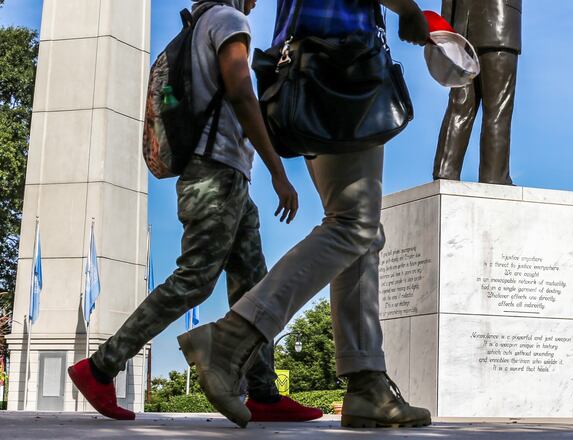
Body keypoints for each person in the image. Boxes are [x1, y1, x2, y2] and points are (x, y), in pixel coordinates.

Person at [176, 0, 432, 429]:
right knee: (354, 225)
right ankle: (231, 337)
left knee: (360, 229)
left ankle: (366, 380)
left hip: (305, 72)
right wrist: (408, 10)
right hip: (343, 70)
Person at [68, 0, 322, 423]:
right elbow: (241, 92)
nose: (257, 1)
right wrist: (279, 171)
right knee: (194, 280)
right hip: (215, 176)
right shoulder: (228, 20)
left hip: (226, 178)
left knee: (253, 287)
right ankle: (100, 367)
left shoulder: (200, 24)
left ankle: (262, 393)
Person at [433, 0, 522, 185]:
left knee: (459, 106)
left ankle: (445, 170)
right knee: (498, 110)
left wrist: (445, 31)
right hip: (500, 27)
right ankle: (495, 177)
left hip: (462, 31)